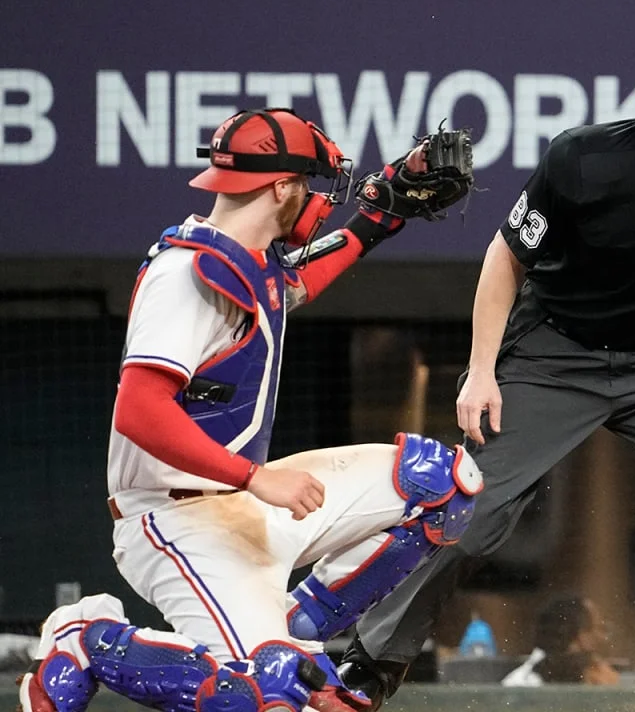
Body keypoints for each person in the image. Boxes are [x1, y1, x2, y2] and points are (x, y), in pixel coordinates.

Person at [339, 53, 635, 712]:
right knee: (472, 512)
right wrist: (482, 371)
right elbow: (505, 258)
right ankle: (373, 660)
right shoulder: (584, 160)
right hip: (557, 353)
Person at [16, 109, 482, 712]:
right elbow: (138, 410)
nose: (315, 200)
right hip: (175, 521)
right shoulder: (186, 273)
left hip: (245, 505)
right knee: (265, 696)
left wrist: (384, 210)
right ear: (282, 187)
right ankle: (88, 644)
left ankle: (284, 637)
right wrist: (258, 477)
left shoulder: (251, 256)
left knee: (443, 483)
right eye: (309, 186)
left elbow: (301, 278)